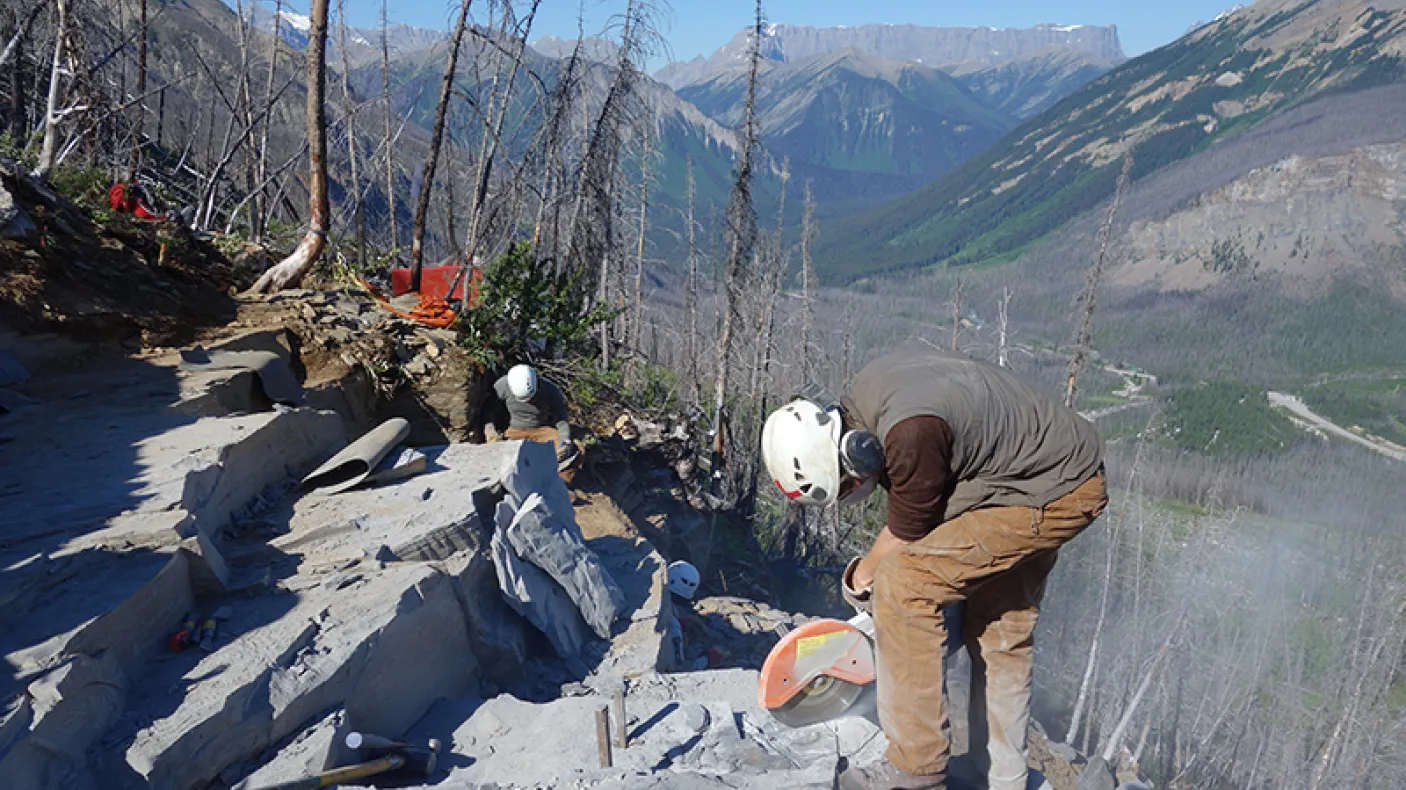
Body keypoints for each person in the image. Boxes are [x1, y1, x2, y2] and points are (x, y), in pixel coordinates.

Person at [761, 349, 1107, 790]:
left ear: (856, 453)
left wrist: (861, 580)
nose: (853, 492)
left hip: (1052, 491)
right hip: (1042, 472)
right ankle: (1001, 776)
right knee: (999, 626)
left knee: (904, 588)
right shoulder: (869, 397)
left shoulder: (909, 435)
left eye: (847, 485)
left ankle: (915, 774)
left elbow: (906, 538)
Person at [491, 364, 573, 461]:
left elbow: (561, 417)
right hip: (514, 431)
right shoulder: (502, 385)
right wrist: (491, 430)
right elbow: (490, 407)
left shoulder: (550, 390)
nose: (529, 402)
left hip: (542, 431)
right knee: (498, 454)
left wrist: (565, 440)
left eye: (531, 399)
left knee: (567, 452)